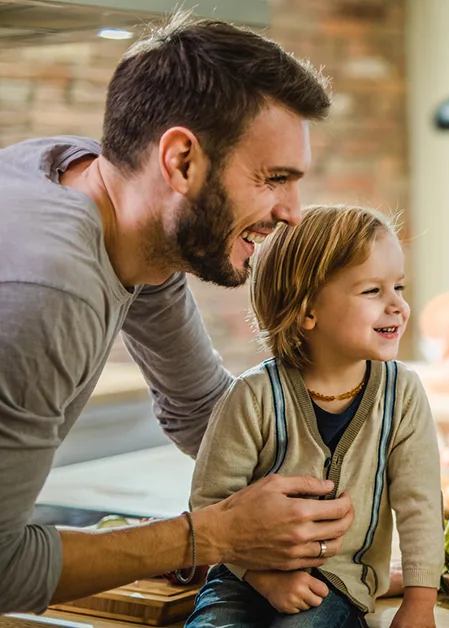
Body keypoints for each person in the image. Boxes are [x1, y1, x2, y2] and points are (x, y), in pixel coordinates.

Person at [0, 14, 355, 614]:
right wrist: (217, 534)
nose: (293, 212)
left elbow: (201, 411)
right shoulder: (49, 290)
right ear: (181, 160)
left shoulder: (101, 191)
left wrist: (355, 460)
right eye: (273, 179)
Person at [186, 206, 440, 628]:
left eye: (399, 286)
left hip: (337, 584)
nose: (398, 305)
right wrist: (264, 577)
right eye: (372, 291)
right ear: (307, 311)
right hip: (239, 578)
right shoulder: (252, 396)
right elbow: (209, 507)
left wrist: (419, 604)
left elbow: (421, 506)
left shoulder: (403, 394)